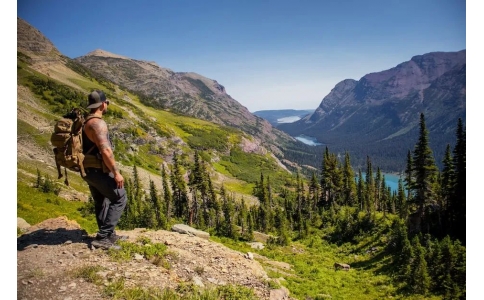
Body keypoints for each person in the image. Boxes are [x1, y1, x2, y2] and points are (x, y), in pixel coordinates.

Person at [82, 90, 127, 250]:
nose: (107, 105)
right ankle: (102, 237)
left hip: (87, 170)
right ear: (103, 104)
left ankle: (108, 234)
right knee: (120, 198)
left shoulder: (84, 121)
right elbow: (106, 151)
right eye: (106, 102)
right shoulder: (97, 123)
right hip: (97, 170)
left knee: (101, 201)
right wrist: (116, 173)